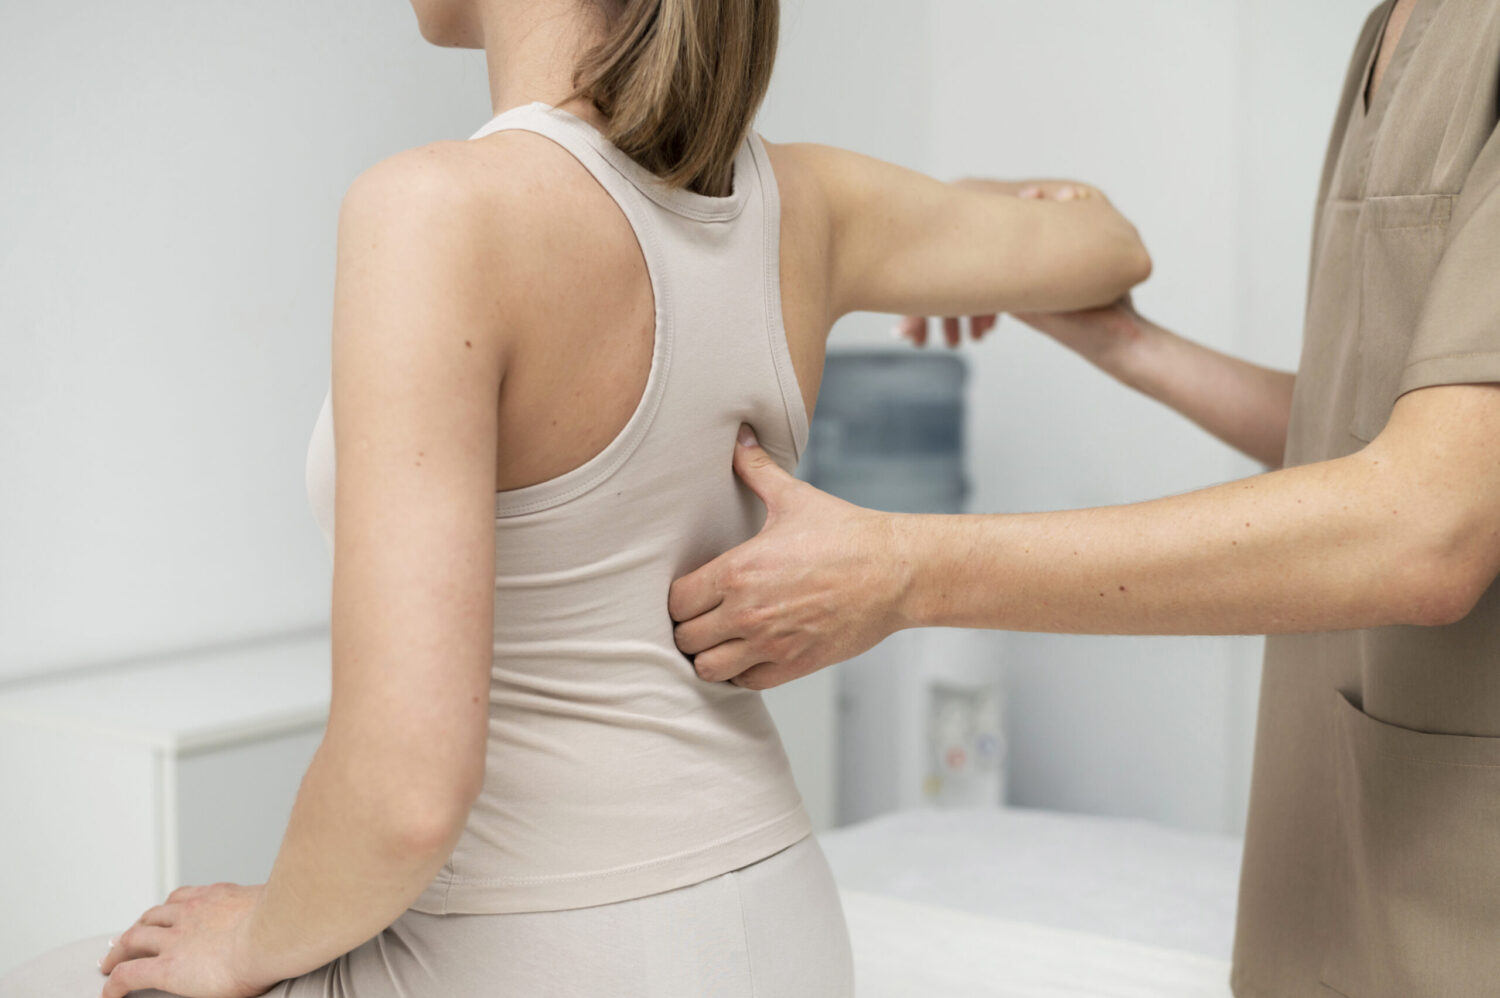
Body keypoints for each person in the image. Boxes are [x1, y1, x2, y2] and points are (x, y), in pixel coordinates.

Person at [0, 2, 1152, 997]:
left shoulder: (436, 209)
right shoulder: (815, 201)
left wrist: (248, 937)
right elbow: (1109, 246)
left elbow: (405, 791)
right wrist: (968, 208)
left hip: (533, 944)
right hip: (786, 921)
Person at [669, 1, 1500, 995]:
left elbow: (1432, 518)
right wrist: (1125, 343)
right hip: (1332, 889)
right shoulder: (1396, 25)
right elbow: (1378, 430)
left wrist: (904, 570)